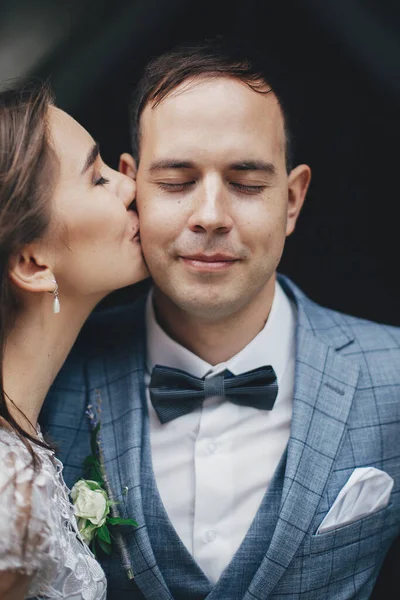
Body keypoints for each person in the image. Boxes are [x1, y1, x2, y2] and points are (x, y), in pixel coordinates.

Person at [41, 38, 400, 600]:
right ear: (133, 186)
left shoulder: (392, 377)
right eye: (177, 182)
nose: (210, 217)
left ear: (292, 199)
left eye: (247, 183)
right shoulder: (48, 383)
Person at [0, 82, 149, 600]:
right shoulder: (6, 497)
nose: (131, 186)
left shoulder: (22, 449)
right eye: (98, 178)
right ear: (33, 263)